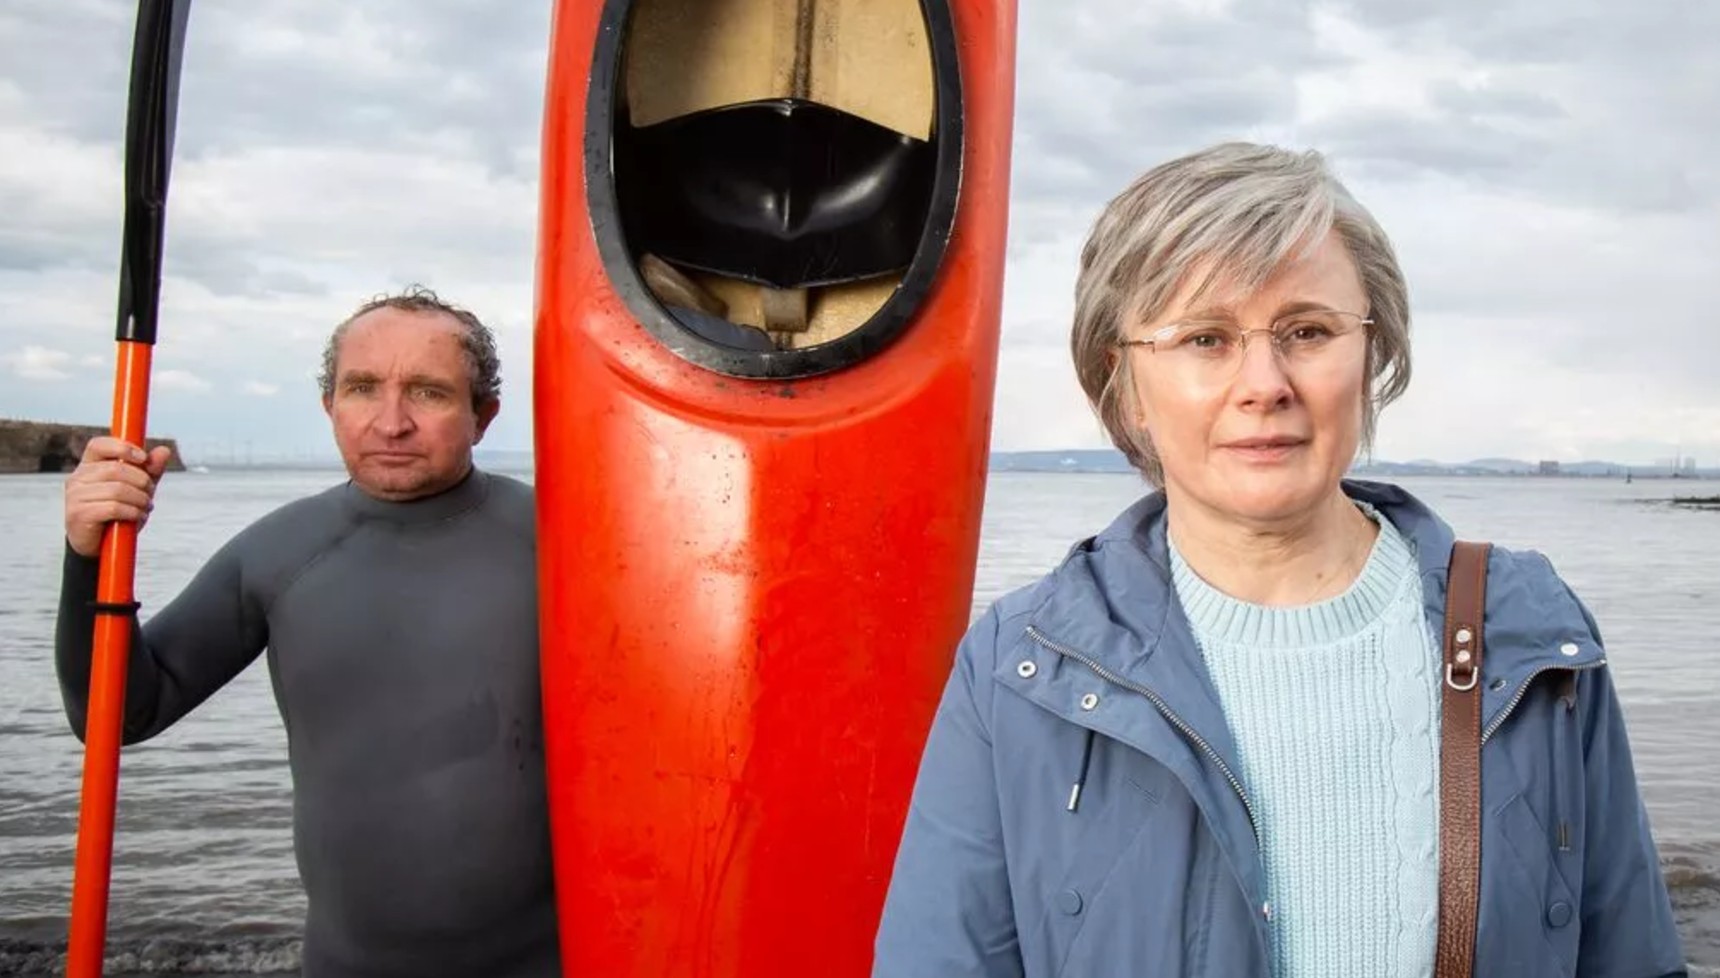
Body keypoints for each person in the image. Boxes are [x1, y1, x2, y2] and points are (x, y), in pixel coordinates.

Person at [872, 143, 1685, 977]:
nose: (1264, 382)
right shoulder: (1023, 663)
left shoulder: (1530, 629)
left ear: (1371, 353)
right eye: (1204, 338)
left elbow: (1630, 955)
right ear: (1125, 386)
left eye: (1307, 330)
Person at [55, 287, 559, 978]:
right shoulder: (277, 553)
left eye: (428, 392)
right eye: (361, 388)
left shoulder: (565, 543)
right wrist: (87, 558)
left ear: (484, 415)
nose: (391, 422)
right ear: (329, 407)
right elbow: (114, 714)